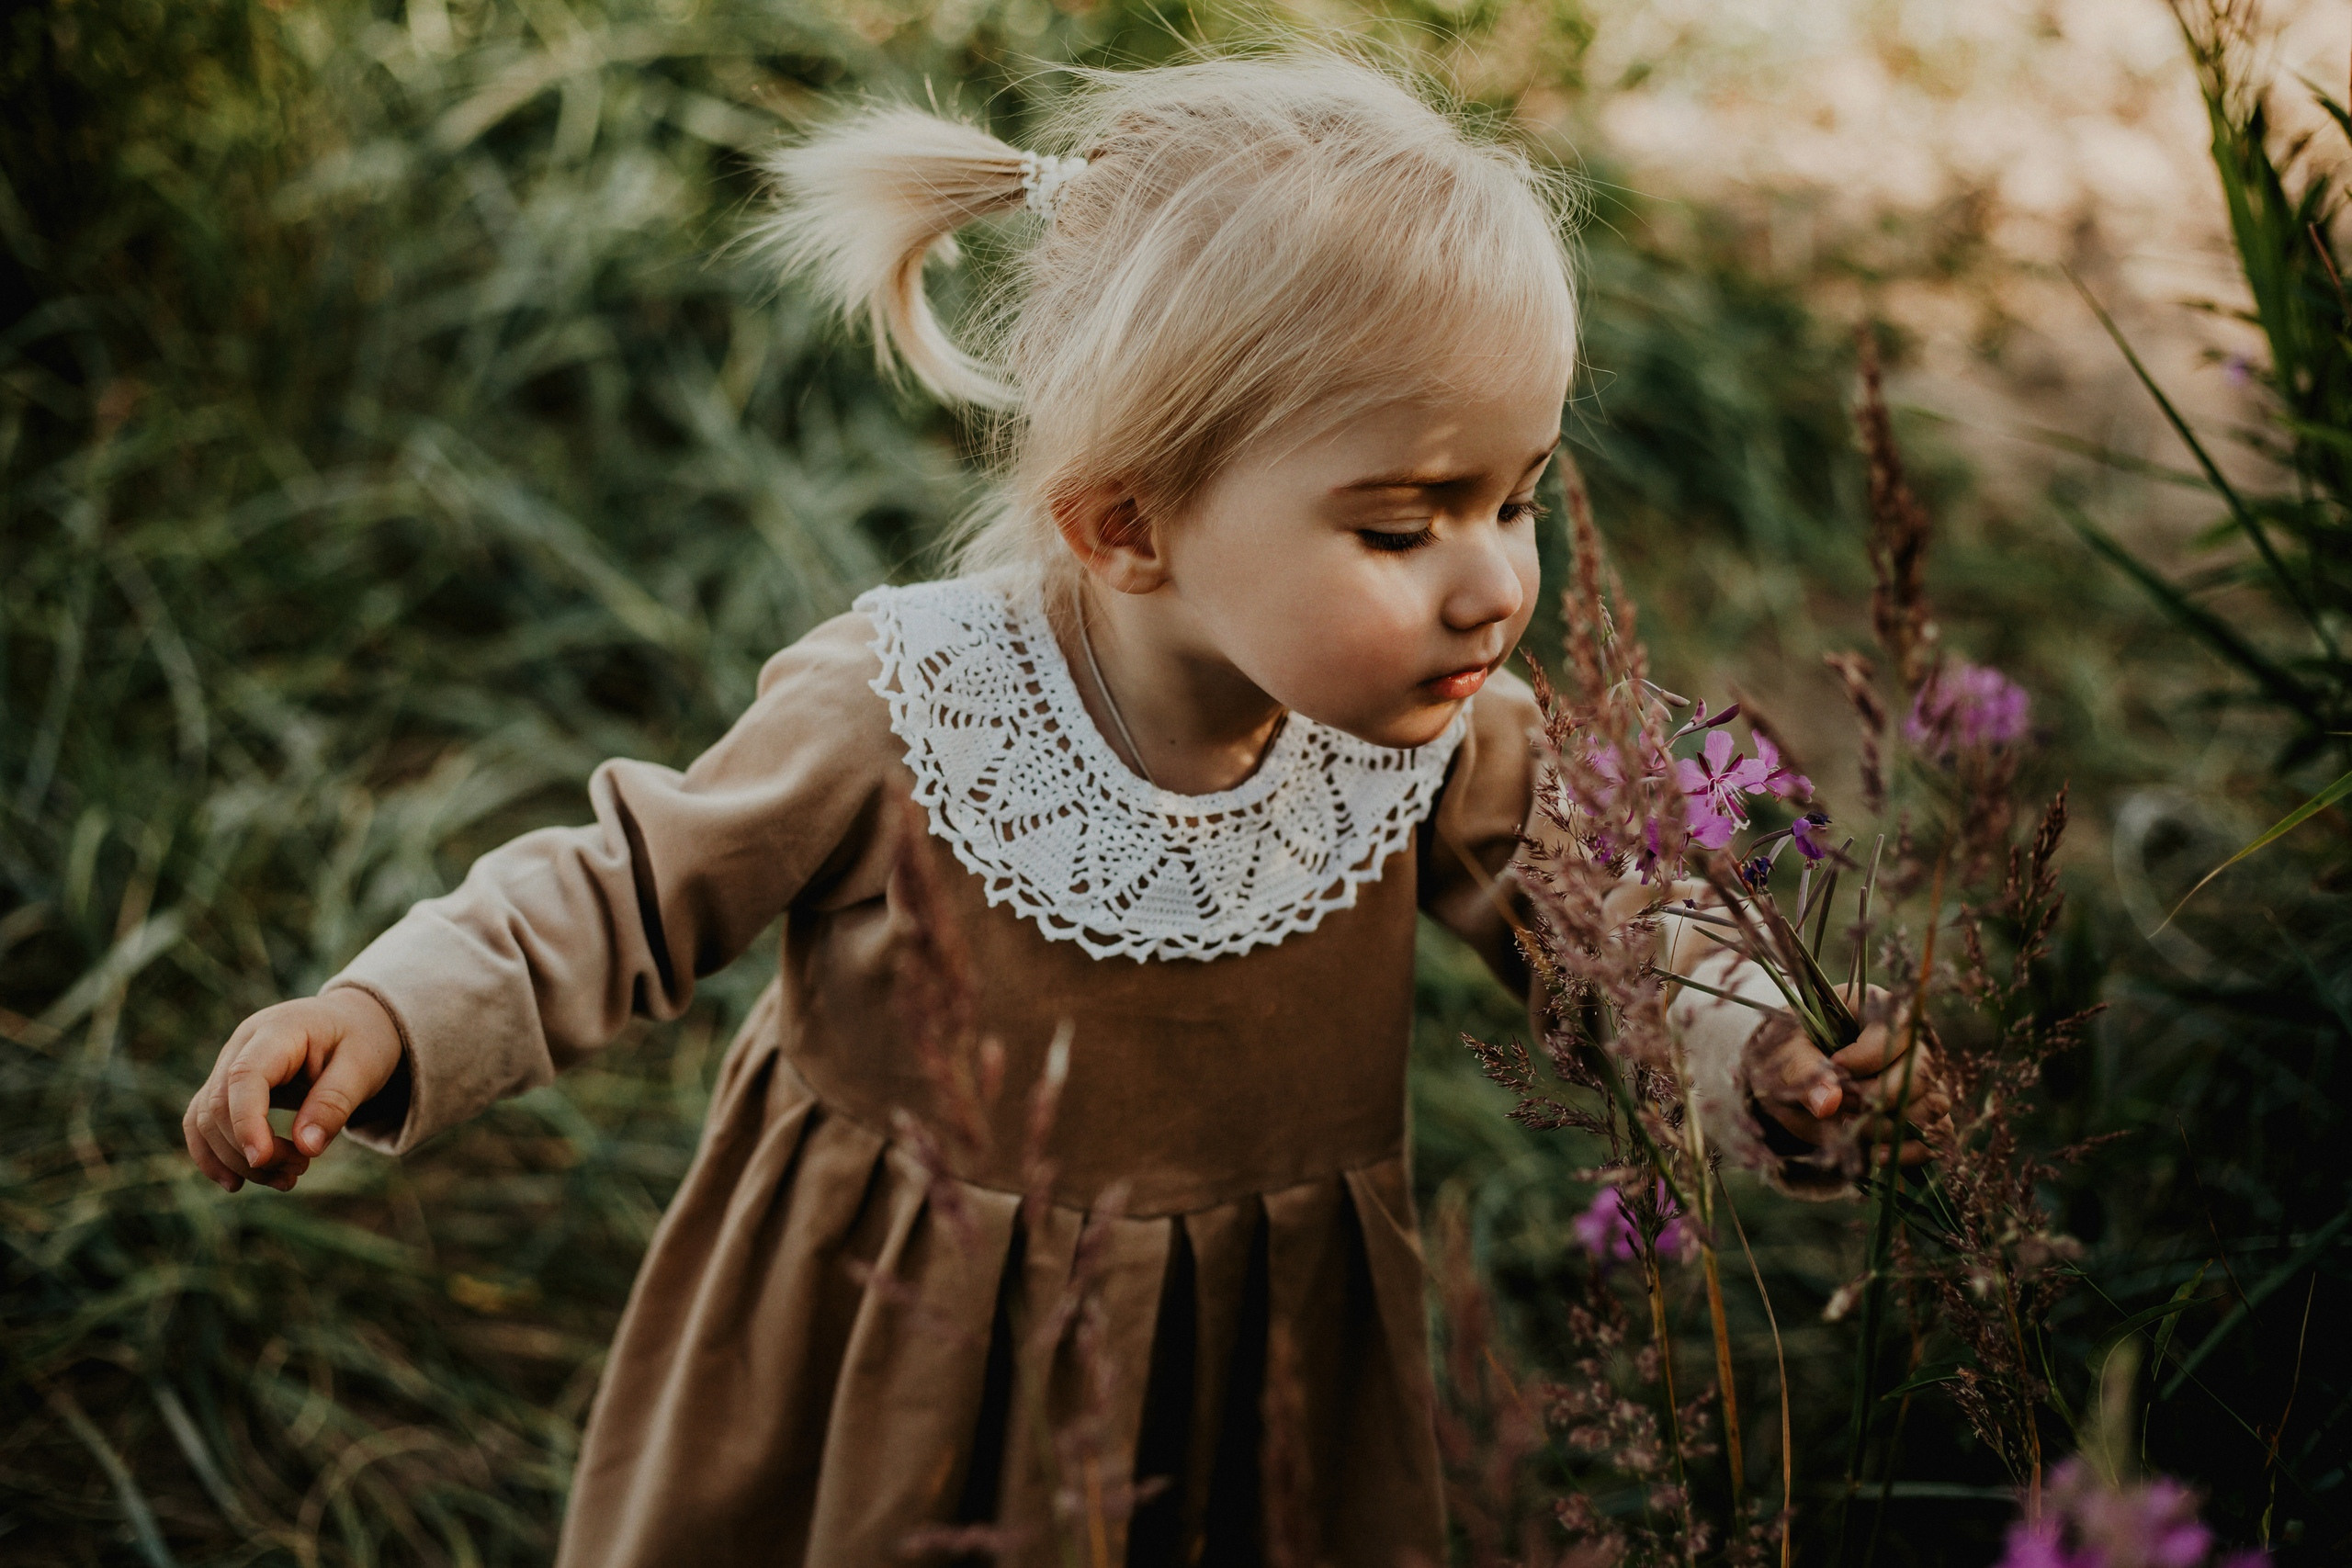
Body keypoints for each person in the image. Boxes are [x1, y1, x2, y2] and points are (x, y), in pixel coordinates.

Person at [179, 51, 1925, 1567]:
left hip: (1252, 1374)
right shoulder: (907, 711)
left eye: (1517, 498)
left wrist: (1760, 1043)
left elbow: (1625, 932)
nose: (1491, 587)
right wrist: (389, 1012)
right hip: (895, 1352)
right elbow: (625, 888)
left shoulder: (1437, 740)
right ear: (1130, 525)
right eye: (1401, 527)